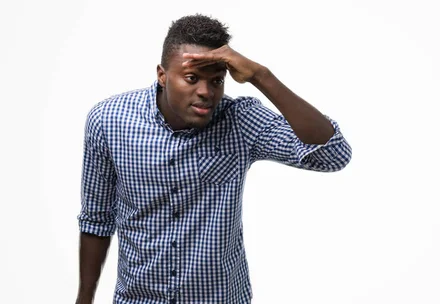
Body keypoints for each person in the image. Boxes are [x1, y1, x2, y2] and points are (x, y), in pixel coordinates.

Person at [76, 14, 352, 304]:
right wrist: (84, 298)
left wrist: (261, 76)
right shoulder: (109, 120)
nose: (206, 92)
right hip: (139, 299)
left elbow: (333, 154)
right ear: (162, 74)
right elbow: (97, 218)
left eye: (216, 80)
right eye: (192, 78)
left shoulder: (241, 121)